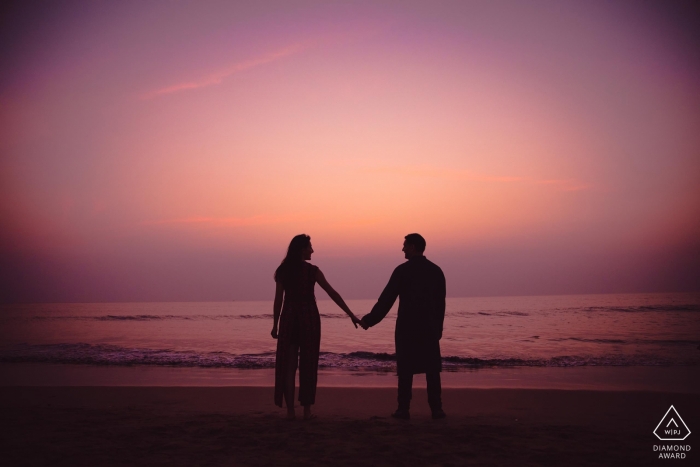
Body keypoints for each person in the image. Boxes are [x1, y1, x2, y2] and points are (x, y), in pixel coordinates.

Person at [271, 234, 361, 420]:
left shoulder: (283, 270)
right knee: (308, 365)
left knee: (289, 367)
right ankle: (306, 411)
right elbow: (332, 293)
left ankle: (290, 411)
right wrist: (350, 313)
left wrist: (275, 324)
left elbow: (279, 299)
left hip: (289, 319)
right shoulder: (312, 271)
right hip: (308, 319)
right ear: (302, 249)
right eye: (310, 247)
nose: (312, 250)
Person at [359, 233, 447, 420]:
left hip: (407, 327)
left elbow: (386, 299)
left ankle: (403, 408)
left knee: (406, 369)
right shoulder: (436, 271)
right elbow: (441, 304)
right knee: (432, 370)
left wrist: (369, 320)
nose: (402, 249)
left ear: (413, 247)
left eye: (405, 245)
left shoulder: (402, 271)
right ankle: (436, 409)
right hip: (429, 327)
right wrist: (439, 328)